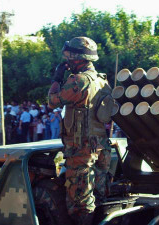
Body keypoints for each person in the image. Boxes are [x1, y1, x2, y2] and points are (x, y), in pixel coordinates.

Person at [48, 36, 112, 225]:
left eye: (70, 57)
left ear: (78, 58)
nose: (67, 60)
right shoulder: (102, 81)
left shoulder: (79, 81)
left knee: (80, 204)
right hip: (100, 147)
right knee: (98, 197)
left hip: (81, 149)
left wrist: (56, 79)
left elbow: (53, 101)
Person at [28, 154, 72, 225]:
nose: (26, 175)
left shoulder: (38, 192)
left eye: (29, 172)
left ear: (38, 173)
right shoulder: (61, 183)